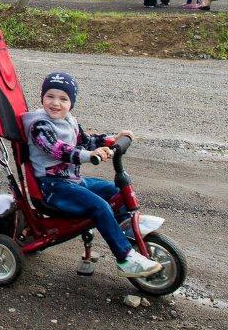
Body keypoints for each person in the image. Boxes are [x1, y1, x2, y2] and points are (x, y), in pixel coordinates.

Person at [22, 72, 162, 278]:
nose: (55, 103)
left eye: (63, 99)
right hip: (51, 188)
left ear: (71, 103)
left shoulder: (69, 120)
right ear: (42, 97)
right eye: (50, 96)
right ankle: (124, 258)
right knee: (100, 206)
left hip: (71, 182)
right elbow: (59, 150)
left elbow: (85, 141)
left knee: (114, 191)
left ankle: (125, 233)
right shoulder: (39, 126)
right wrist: (90, 156)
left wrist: (111, 140)